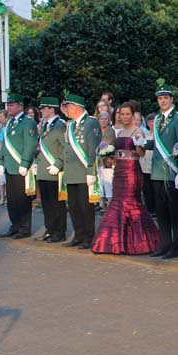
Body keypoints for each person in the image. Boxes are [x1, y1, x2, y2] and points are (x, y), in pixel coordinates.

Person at [92, 103, 160, 255]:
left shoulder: (138, 131)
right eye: (121, 114)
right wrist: (109, 155)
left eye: (127, 114)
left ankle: (136, 242)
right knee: (117, 202)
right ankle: (115, 241)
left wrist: (139, 144)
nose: (124, 117)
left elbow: (141, 154)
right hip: (119, 171)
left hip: (131, 172)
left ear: (133, 115)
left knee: (130, 202)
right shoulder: (120, 132)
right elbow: (117, 152)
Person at [136, 82, 178, 259]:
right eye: (160, 98)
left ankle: (176, 247)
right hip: (157, 172)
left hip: (172, 172)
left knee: (175, 212)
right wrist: (144, 143)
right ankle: (164, 245)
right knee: (161, 211)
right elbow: (157, 144)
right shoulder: (158, 118)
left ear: (172, 99)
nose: (163, 101)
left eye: (166, 98)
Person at [61, 93, 102, 249]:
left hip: (84, 172)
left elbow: (93, 149)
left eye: (68, 106)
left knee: (86, 207)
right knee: (73, 206)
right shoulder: (71, 125)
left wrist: (91, 171)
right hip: (71, 172)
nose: (66, 110)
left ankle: (89, 237)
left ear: (77, 107)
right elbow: (66, 149)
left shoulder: (91, 123)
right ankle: (78, 235)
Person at [0, 94, 38, 239]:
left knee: (23, 200)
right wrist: (1, 161)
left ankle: (24, 228)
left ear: (20, 106)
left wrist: (25, 163)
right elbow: (5, 145)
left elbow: (30, 144)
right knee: (12, 200)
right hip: (10, 166)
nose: (9, 107)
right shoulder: (10, 123)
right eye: (8, 105)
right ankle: (15, 226)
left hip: (21, 167)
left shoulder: (28, 122)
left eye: (12, 105)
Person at [34, 97, 67, 243]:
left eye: (44, 108)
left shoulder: (60, 125)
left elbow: (66, 147)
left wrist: (58, 164)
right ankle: (50, 230)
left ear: (52, 109)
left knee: (57, 204)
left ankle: (59, 232)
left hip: (54, 171)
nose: (41, 110)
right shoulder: (45, 125)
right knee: (46, 203)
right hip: (43, 170)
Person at [97, 111, 116, 210]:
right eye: (101, 119)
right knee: (99, 181)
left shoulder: (110, 130)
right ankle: (100, 202)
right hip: (97, 160)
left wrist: (95, 147)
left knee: (108, 181)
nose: (103, 121)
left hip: (108, 159)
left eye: (105, 119)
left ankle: (109, 201)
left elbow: (105, 144)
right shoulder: (96, 130)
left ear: (108, 120)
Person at [140, 113, 156, 215]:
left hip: (154, 167)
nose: (152, 123)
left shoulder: (158, 134)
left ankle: (156, 209)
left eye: (154, 121)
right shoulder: (145, 134)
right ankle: (149, 209)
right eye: (150, 121)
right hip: (144, 165)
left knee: (155, 190)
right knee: (146, 189)